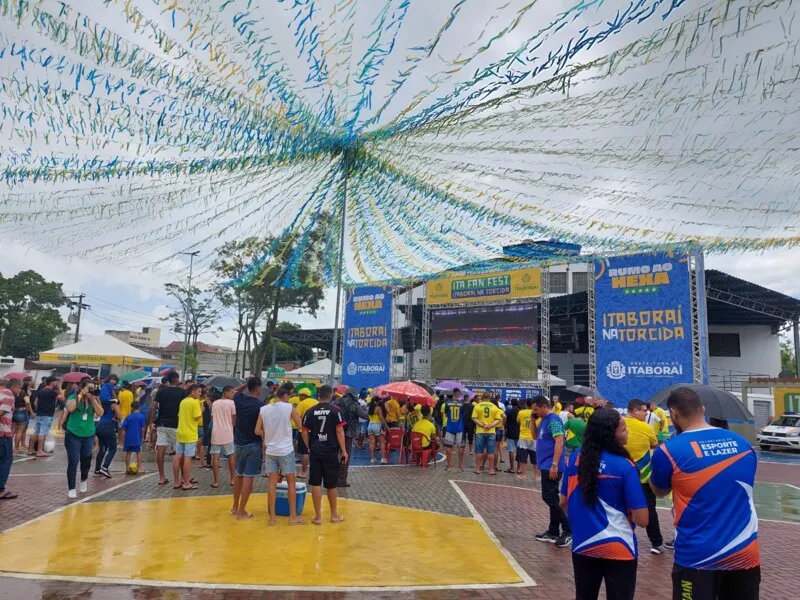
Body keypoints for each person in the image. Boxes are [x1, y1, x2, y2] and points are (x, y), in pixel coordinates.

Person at [650, 387, 760, 600]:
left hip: (697, 556)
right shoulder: (743, 445)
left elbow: (659, 491)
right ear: (702, 409)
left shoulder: (669, 451)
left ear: (673, 414)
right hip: (744, 553)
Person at [560, 408, 649, 600]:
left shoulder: (576, 458)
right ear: (610, 434)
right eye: (624, 429)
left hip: (583, 544)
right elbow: (642, 519)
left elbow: (563, 502)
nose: (628, 433)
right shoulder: (625, 466)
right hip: (620, 547)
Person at [255, 386, 305, 525]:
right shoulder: (289, 407)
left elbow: (257, 430)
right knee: (291, 483)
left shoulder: (264, 409)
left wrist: (267, 434)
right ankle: (293, 517)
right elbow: (300, 425)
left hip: (270, 450)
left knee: (271, 484)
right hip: (286, 450)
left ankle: (272, 518)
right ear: (285, 396)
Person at [301, 385, 348, 525]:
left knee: (315, 483)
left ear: (318, 395)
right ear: (330, 396)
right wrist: (344, 450)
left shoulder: (310, 411)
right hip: (330, 451)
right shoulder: (335, 411)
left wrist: (310, 446)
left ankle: (318, 516)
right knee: (331, 485)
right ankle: (334, 515)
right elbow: (339, 431)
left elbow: (304, 432)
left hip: (315, 451)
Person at [625, 399, 663, 554]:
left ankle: (624, 537)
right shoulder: (646, 427)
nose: (646, 413)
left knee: (622, 508)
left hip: (624, 475)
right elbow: (654, 444)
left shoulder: (617, 423)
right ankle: (656, 542)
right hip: (643, 476)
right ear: (634, 411)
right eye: (643, 410)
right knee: (650, 509)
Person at [533, 395, 571, 547]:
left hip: (551, 465)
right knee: (552, 497)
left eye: (536, 409)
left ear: (544, 406)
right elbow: (535, 436)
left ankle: (569, 528)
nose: (534, 412)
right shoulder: (543, 420)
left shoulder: (554, 420)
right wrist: (532, 419)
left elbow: (559, 441)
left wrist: (554, 464)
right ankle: (553, 531)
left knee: (549, 497)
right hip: (545, 464)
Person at [64, 381, 103, 498]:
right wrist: (81, 395)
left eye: (93, 389)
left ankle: (84, 480)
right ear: (82, 388)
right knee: (73, 460)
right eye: (89, 388)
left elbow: (100, 413)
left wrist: (93, 400)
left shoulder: (94, 399)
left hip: (88, 434)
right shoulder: (74, 397)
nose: (91, 391)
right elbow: (70, 408)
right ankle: (71, 488)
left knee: (86, 459)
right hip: (73, 433)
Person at [231, 376, 264, 520]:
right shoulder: (260, 406)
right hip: (253, 444)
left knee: (238, 475)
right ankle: (242, 511)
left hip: (238, 443)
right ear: (258, 388)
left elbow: (233, 391)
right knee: (248, 477)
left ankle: (234, 507)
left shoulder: (239, 399)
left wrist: (245, 384)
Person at [150, 371, 187, 485]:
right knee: (179, 452)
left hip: (161, 424)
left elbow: (153, 407)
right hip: (176, 425)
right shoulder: (182, 392)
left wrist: (151, 421)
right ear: (176, 380)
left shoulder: (161, 391)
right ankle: (181, 478)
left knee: (160, 450)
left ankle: (162, 477)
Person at [335, 390, 368, 487]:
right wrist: (365, 409)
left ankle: (332, 477)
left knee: (335, 455)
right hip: (348, 433)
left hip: (336, 431)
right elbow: (365, 416)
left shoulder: (338, 401)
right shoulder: (354, 404)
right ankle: (341, 480)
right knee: (345, 456)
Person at [174, 385, 203, 490]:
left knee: (178, 457)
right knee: (187, 458)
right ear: (193, 391)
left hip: (180, 432)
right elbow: (197, 417)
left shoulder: (183, 402)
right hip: (190, 434)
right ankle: (186, 483)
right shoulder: (195, 403)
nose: (200, 394)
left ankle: (177, 482)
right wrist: (201, 410)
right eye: (199, 392)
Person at [0, 378, 22, 500]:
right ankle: (0, 490)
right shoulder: (8, 394)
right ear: (15, 385)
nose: (20, 391)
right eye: (20, 387)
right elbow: (3, 411)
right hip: (3, 434)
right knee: (5, 460)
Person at [210, 385, 236, 489]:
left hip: (216, 432)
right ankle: (233, 479)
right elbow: (234, 418)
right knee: (231, 455)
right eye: (231, 393)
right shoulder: (231, 403)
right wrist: (230, 425)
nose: (233, 395)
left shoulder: (215, 403)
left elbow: (212, 419)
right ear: (225, 392)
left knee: (215, 457)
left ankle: (216, 481)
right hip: (228, 432)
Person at [94, 380, 121, 478]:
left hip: (99, 425)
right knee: (113, 448)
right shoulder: (114, 403)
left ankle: (97, 469)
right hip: (108, 426)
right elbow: (119, 415)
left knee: (102, 448)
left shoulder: (103, 403)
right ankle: (105, 467)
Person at [471, 393, 503, 475]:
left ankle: (477, 469)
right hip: (491, 431)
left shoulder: (477, 406)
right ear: (489, 398)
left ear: (482, 397)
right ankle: (491, 470)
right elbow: (498, 419)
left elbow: (474, 418)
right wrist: (491, 425)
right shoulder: (494, 407)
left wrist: (482, 425)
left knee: (479, 451)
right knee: (491, 452)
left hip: (480, 431)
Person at [32, 376, 62, 457]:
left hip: (39, 414)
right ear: (52, 382)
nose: (56, 383)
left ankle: (31, 449)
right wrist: (60, 388)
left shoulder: (41, 391)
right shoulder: (53, 392)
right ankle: (39, 450)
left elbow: (35, 403)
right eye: (56, 381)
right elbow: (62, 398)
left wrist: (39, 409)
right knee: (42, 432)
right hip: (47, 415)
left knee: (36, 432)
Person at [295, 386, 319, 477]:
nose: (299, 397)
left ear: (303, 395)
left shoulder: (302, 403)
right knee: (315, 452)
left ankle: (304, 472)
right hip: (316, 431)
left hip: (304, 431)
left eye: (300, 395)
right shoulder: (317, 402)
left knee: (305, 452)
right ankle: (315, 472)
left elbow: (296, 416)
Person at [443, 389, 466, 472]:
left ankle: (449, 466)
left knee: (448, 447)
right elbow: (462, 415)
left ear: (452, 393)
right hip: (459, 428)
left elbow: (446, 414)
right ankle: (459, 467)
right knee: (460, 447)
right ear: (459, 394)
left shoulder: (447, 403)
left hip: (450, 427)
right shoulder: (462, 404)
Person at [121, 400, 147, 474]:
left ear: (132, 408)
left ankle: (126, 469)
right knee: (138, 452)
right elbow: (143, 428)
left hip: (128, 438)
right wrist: (142, 437)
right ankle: (139, 468)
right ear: (139, 407)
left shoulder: (128, 417)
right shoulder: (142, 416)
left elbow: (123, 429)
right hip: (137, 438)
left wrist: (123, 439)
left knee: (128, 453)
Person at [516, 399, 536, 479]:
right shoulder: (535, 413)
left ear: (526, 404)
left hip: (523, 436)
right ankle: (537, 475)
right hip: (534, 436)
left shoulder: (521, 412)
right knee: (534, 456)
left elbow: (518, 421)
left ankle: (524, 475)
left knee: (523, 456)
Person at [12, 378, 33, 454]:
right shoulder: (24, 393)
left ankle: (8, 446)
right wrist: (27, 409)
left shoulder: (13, 393)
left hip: (14, 412)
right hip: (21, 412)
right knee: (19, 431)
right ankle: (16, 448)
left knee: (12, 430)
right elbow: (27, 402)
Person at [366, 395, 386, 464]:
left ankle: (372, 458)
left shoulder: (370, 408)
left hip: (370, 426)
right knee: (382, 442)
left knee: (372, 443)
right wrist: (386, 426)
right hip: (377, 425)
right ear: (377, 401)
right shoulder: (378, 408)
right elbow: (382, 418)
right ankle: (383, 458)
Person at [504, 399, 520, 474]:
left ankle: (512, 468)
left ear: (511, 403)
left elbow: (505, 423)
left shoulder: (508, 412)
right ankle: (519, 469)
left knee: (511, 450)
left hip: (510, 432)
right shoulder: (520, 412)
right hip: (519, 433)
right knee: (519, 451)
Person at [117, 381, 134, 448]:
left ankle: (120, 443)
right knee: (125, 429)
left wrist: (116, 414)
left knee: (121, 429)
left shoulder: (121, 394)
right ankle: (122, 442)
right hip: (129, 413)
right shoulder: (130, 393)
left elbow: (119, 405)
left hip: (122, 414)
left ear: (122, 386)